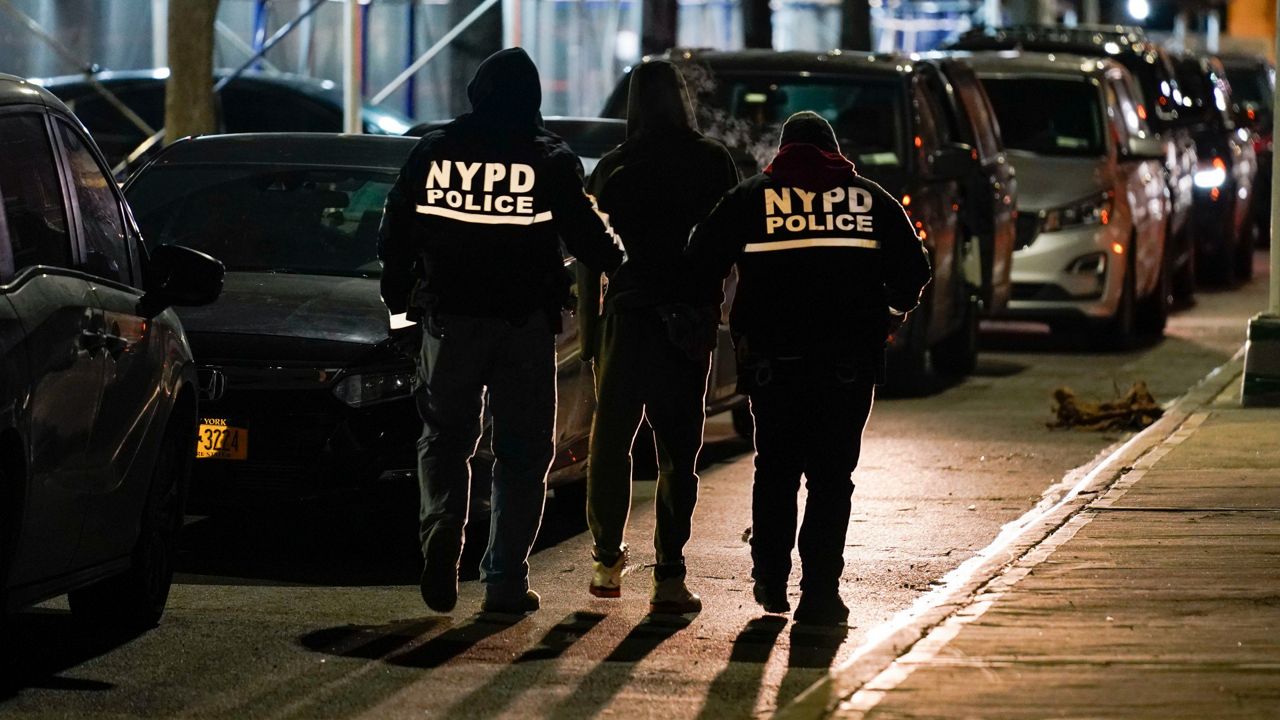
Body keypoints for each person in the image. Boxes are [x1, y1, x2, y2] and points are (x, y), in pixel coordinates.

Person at [379, 47, 624, 615]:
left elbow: (395, 236)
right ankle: (505, 582)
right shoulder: (551, 159)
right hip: (523, 329)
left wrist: (401, 305)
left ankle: (442, 530)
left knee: (444, 437)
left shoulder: (435, 152)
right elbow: (588, 238)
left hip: (450, 323)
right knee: (521, 453)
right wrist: (625, 270)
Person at [686, 111, 931, 625]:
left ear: (784, 149)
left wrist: (714, 312)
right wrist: (888, 316)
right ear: (833, 149)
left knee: (774, 470)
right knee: (831, 478)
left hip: (773, 363)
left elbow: (700, 256)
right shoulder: (869, 198)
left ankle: (770, 578)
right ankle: (821, 591)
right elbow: (915, 267)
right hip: (848, 364)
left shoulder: (753, 197)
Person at [577, 61, 739, 613]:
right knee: (678, 454)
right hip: (686, 324)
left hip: (625, 321)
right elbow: (729, 246)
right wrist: (715, 312)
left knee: (610, 445)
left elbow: (587, 267)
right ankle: (669, 572)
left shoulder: (612, 169)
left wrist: (594, 339)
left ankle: (606, 561)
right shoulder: (712, 162)